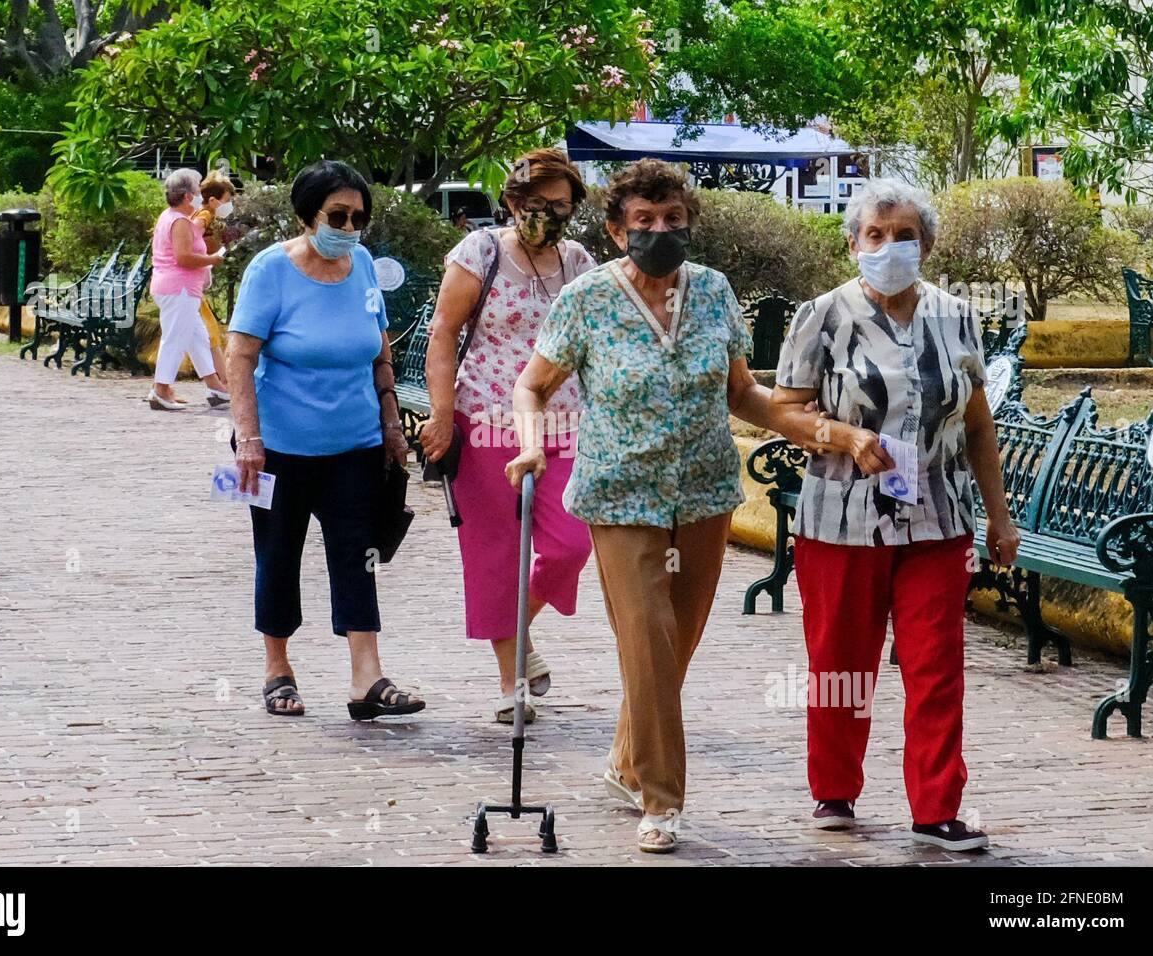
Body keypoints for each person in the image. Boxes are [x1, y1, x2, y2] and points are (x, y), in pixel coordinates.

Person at [506, 158, 817, 852]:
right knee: (647, 640)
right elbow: (532, 386)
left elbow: (743, 393)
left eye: (672, 218)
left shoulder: (713, 291)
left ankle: (623, 762)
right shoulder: (586, 299)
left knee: (673, 648)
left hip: (704, 491)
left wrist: (813, 428)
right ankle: (663, 799)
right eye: (643, 221)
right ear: (617, 231)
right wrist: (530, 447)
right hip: (619, 493)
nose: (659, 231)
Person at [770, 177, 1020, 852]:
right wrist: (845, 436)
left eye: (903, 235)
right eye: (875, 236)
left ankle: (937, 809)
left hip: (937, 517)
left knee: (936, 664)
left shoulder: (957, 315)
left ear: (926, 244)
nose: (889, 247)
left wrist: (999, 517)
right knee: (841, 662)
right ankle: (835, 791)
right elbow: (784, 410)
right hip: (841, 517)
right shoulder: (820, 315)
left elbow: (977, 426)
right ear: (853, 243)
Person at [227, 159, 425, 721]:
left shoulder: (360, 263)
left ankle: (367, 678)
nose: (349, 226)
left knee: (357, 555)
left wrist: (390, 424)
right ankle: (277, 669)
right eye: (337, 215)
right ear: (306, 215)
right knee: (278, 554)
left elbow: (378, 345)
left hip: (355, 443)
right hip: (280, 447)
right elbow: (240, 356)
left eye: (359, 217)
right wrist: (249, 438)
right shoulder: (271, 270)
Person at [421, 148, 597, 723]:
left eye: (562, 205)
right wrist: (443, 414)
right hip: (486, 420)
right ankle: (510, 684)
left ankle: (518, 636)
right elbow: (444, 333)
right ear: (514, 201)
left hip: (564, 423)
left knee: (571, 544)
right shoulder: (481, 252)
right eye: (537, 203)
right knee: (497, 555)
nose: (549, 214)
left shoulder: (578, 263)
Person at [147, 168, 231, 410]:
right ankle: (161, 390)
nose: (199, 196)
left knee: (198, 338)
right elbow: (184, 257)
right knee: (175, 339)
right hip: (179, 288)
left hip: (176, 288)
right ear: (186, 196)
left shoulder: (170, 216)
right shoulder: (180, 221)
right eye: (196, 191)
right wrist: (212, 259)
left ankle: (215, 387)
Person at [191, 170, 238, 388]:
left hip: (194, 283)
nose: (228, 205)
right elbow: (193, 233)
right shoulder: (205, 215)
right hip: (192, 285)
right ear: (213, 200)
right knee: (210, 333)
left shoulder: (203, 214)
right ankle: (224, 381)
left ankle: (222, 381)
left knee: (208, 333)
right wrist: (208, 257)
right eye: (226, 201)